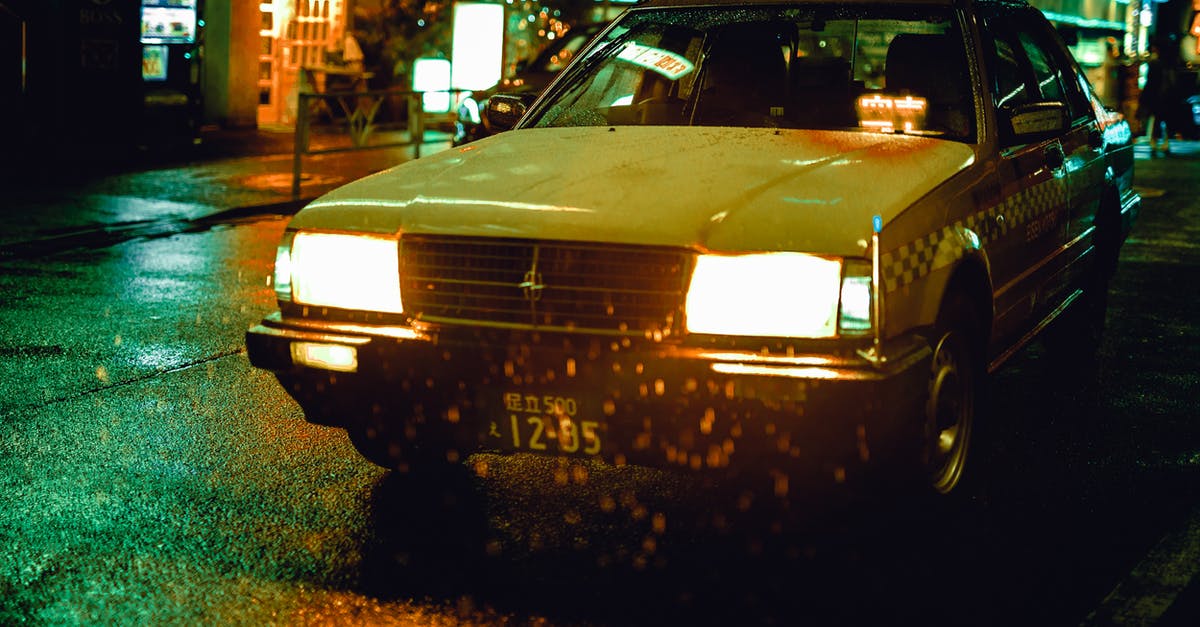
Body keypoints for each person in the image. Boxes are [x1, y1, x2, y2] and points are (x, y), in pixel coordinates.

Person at [1138, 42, 1175, 156]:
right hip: (1167, 97)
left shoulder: (1153, 64)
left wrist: (1144, 97)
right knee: (1166, 121)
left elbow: (1150, 83)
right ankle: (1166, 143)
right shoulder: (1169, 64)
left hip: (1155, 98)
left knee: (1154, 121)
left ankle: (1154, 143)